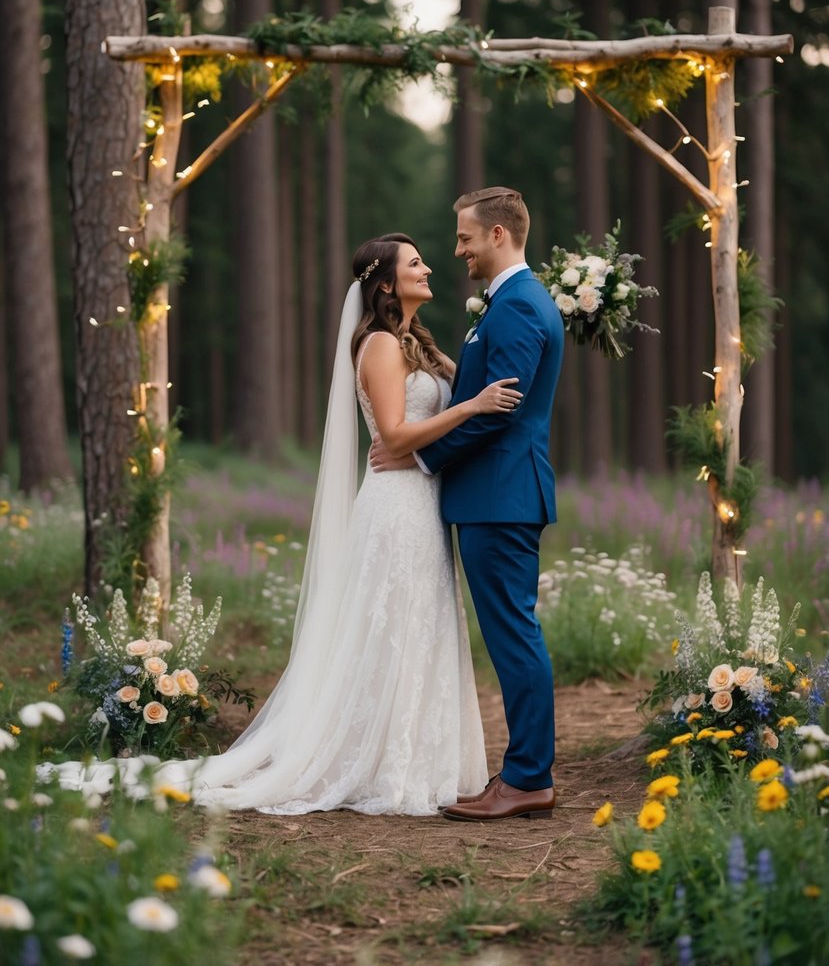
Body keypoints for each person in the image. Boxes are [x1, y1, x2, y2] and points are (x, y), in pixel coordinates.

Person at [45, 233, 522, 816]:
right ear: (386, 283)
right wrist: (470, 408)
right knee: (390, 626)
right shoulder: (377, 345)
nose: (429, 269)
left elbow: (434, 414)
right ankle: (372, 758)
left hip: (423, 502)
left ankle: (418, 756)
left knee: (421, 623)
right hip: (396, 506)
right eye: (415, 263)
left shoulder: (414, 343)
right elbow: (394, 437)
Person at [370, 189, 564, 821]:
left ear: (499, 235)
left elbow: (497, 417)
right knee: (512, 633)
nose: (457, 251)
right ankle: (523, 773)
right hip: (493, 495)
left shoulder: (515, 308)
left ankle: (529, 777)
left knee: (513, 636)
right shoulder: (509, 304)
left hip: (500, 495)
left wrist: (420, 458)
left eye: (465, 239)